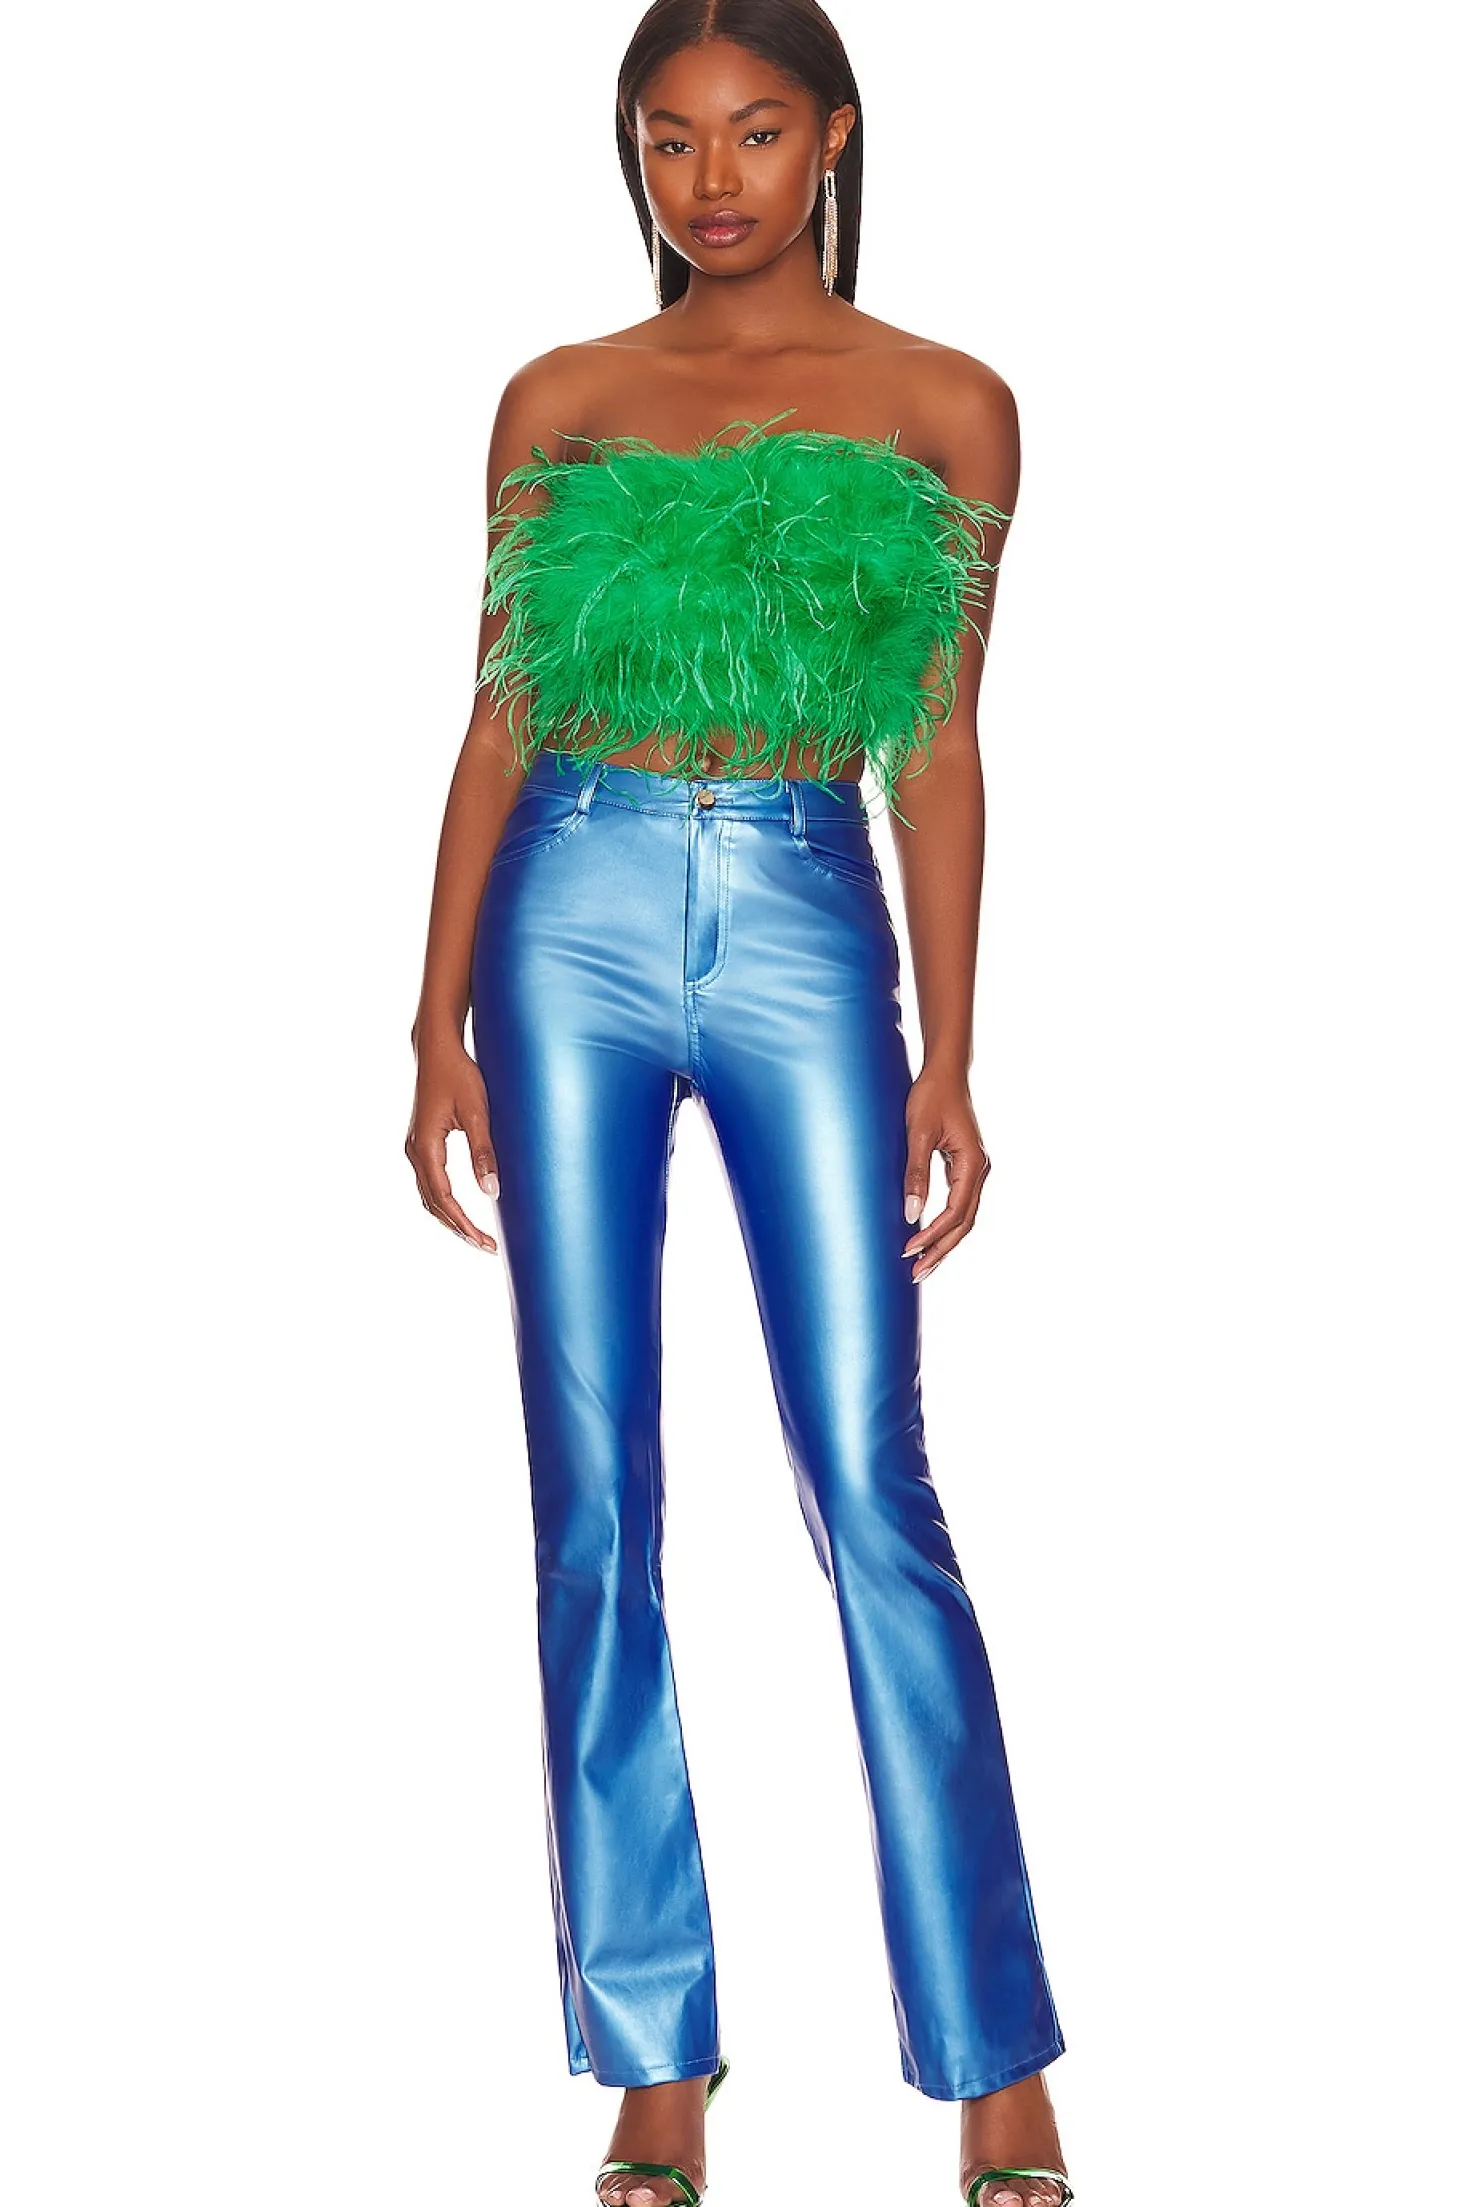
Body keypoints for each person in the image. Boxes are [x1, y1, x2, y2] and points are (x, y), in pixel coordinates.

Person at [405, 6, 1074, 2203]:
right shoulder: (561, 398)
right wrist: (431, 1020)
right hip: (567, 912)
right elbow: (497, 713)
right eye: (673, 139)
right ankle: (653, 2056)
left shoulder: (946, 402)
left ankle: (992, 2052)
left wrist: (950, 1051)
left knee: (871, 1480)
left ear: (832, 139)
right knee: (591, 1491)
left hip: (802, 906)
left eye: (757, 132)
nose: (713, 179)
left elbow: (941, 743)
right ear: (634, 151)